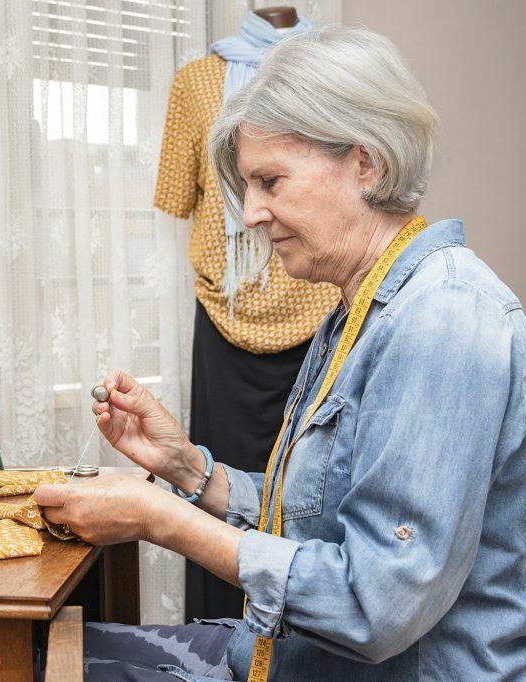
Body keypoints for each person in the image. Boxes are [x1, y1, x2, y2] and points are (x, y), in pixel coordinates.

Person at [35, 24, 526, 681]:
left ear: (367, 163)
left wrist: (158, 518)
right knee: (57, 653)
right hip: (304, 662)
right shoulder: (360, 308)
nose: (249, 212)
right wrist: (191, 471)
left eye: (270, 181)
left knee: (36, 663)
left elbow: (374, 605)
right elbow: (321, 520)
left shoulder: (444, 320)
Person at [154, 6, 342, 623]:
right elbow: (181, 197)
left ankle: (302, 657)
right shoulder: (196, 81)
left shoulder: (335, 74)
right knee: (214, 501)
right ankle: (218, 647)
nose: (255, 208)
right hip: (226, 319)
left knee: (315, 501)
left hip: (320, 314)